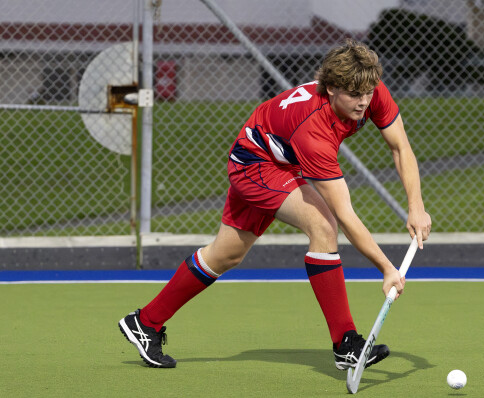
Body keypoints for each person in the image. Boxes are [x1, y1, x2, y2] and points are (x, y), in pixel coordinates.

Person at [119, 39, 432, 369]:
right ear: (332, 88)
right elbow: (344, 213)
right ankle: (346, 344)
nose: (364, 102)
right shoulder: (314, 131)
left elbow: (400, 147)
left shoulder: (368, 86)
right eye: (355, 95)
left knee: (225, 254)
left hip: (275, 152)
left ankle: (144, 322)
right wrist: (386, 268)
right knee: (324, 224)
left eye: (368, 93)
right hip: (254, 163)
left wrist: (416, 206)